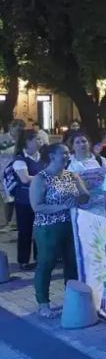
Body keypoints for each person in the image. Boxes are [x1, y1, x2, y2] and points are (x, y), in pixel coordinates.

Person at [30, 143, 89, 318]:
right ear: (52, 156)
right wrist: (62, 206)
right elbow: (37, 206)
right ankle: (43, 304)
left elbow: (86, 196)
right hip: (48, 228)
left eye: (67, 152)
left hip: (71, 226)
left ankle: (72, 299)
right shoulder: (41, 178)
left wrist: (77, 198)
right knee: (46, 264)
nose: (66, 155)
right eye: (62, 153)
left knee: (72, 263)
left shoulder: (72, 176)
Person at [12, 130, 45, 270]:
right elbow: (25, 179)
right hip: (24, 201)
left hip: (41, 199)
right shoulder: (20, 159)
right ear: (28, 142)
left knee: (41, 230)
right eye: (37, 139)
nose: (40, 141)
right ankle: (23, 261)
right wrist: (44, 177)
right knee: (25, 231)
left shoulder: (42, 157)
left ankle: (40, 259)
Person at [68, 132, 106, 216]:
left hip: (100, 206)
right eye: (77, 142)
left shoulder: (100, 160)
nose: (82, 144)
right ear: (73, 146)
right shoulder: (68, 162)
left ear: (89, 143)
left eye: (84, 141)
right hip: (79, 207)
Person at [0, 119, 24, 230]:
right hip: (5, 173)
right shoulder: (3, 139)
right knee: (8, 198)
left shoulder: (23, 140)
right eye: (17, 129)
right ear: (11, 127)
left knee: (19, 198)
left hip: (20, 172)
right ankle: (8, 222)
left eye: (21, 129)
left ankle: (16, 222)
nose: (19, 131)